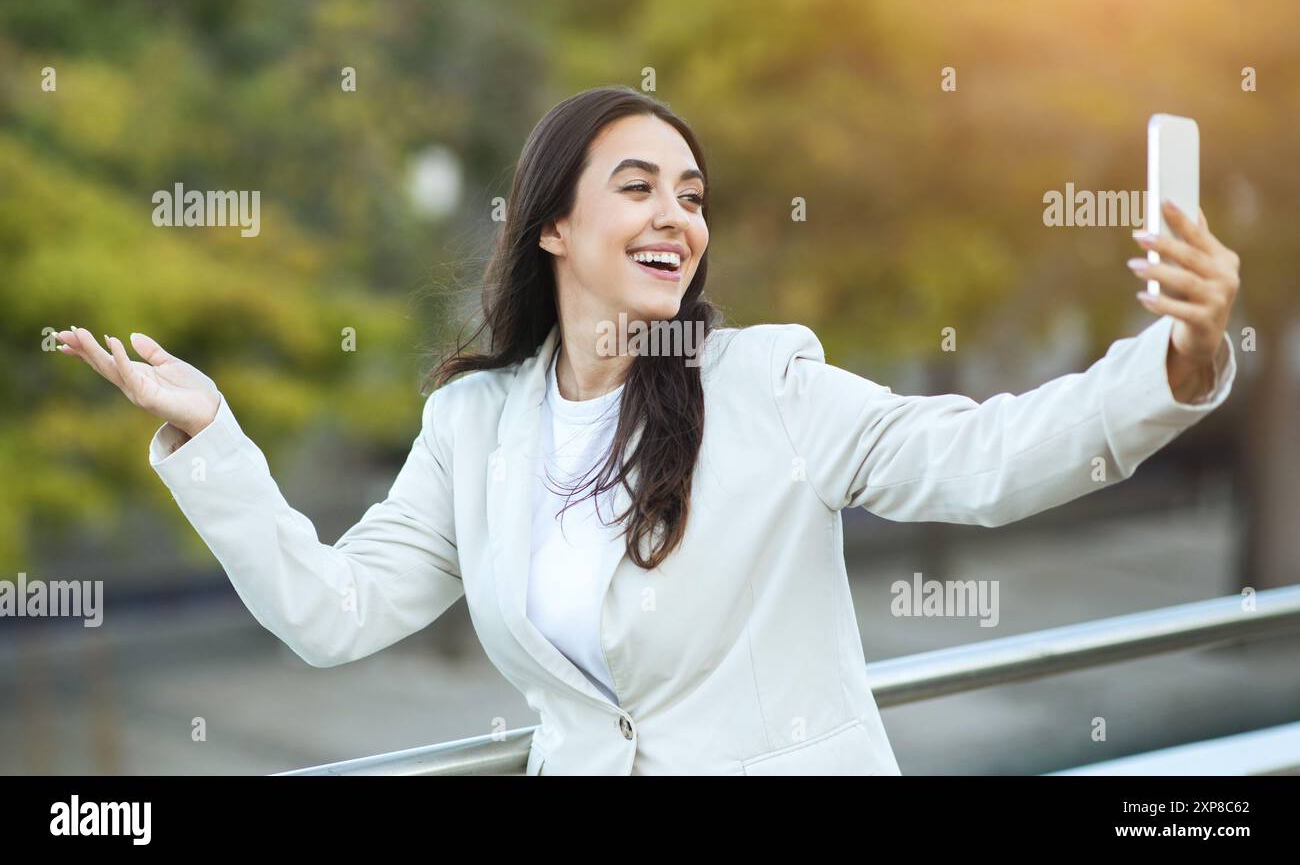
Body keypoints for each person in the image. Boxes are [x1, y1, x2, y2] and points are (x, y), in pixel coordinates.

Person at [56, 85, 1240, 774]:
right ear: (554, 227)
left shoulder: (769, 380)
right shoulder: (472, 424)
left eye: (692, 194)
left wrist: (1178, 358)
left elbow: (986, 460)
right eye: (638, 186)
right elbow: (333, 613)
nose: (677, 213)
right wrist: (213, 436)